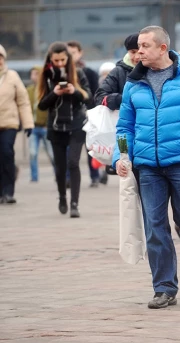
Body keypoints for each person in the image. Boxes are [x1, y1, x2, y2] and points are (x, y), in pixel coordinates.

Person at [113, 26, 180, 309]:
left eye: (145, 46)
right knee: (155, 227)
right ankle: (164, 288)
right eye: (137, 47)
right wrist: (120, 158)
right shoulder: (133, 83)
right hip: (147, 167)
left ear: (163, 48)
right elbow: (124, 127)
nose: (139, 52)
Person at [38, 42, 92, 218]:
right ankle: (62, 197)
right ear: (50, 59)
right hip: (55, 127)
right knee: (60, 168)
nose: (60, 63)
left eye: (62, 59)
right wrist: (55, 93)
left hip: (76, 125)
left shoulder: (78, 73)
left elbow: (88, 98)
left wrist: (74, 90)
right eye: (56, 60)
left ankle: (74, 203)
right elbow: (41, 105)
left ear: (68, 58)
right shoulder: (46, 76)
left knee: (73, 163)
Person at [95, 33, 140, 179]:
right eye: (133, 52)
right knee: (127, 178)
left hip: (148, 131)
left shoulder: (155, 69)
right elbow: (100, 97)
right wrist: (124, 99)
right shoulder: (118, 71)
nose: (137, 56)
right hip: (123, 129)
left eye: (139, 50)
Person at [0, 44, 34, 204]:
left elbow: (23, 101)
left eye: (0, 57)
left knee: (7, 153)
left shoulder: (12, 76)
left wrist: (28, 123)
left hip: (9, 124)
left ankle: (8, 191)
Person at [67, 40, 101, 188]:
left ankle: (94, 176)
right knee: (70, 149)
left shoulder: (89, 72)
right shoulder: (62, 74)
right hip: (69, 117)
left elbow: (96, 94)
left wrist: (93, 112)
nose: (70, 56)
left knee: (90, 148)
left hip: (89, 116)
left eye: (73, 52)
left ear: (80, 53)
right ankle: (68, 178)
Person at [27, 66, 55, 182]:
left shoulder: (47, 90)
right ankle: (34, 177)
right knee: (33, 153)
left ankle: (57, 174)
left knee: (52, 153)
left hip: (45, 127)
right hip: (33, 127)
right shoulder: (28, 90)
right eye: (33, 74)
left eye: (37, 74)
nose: (35, 76)